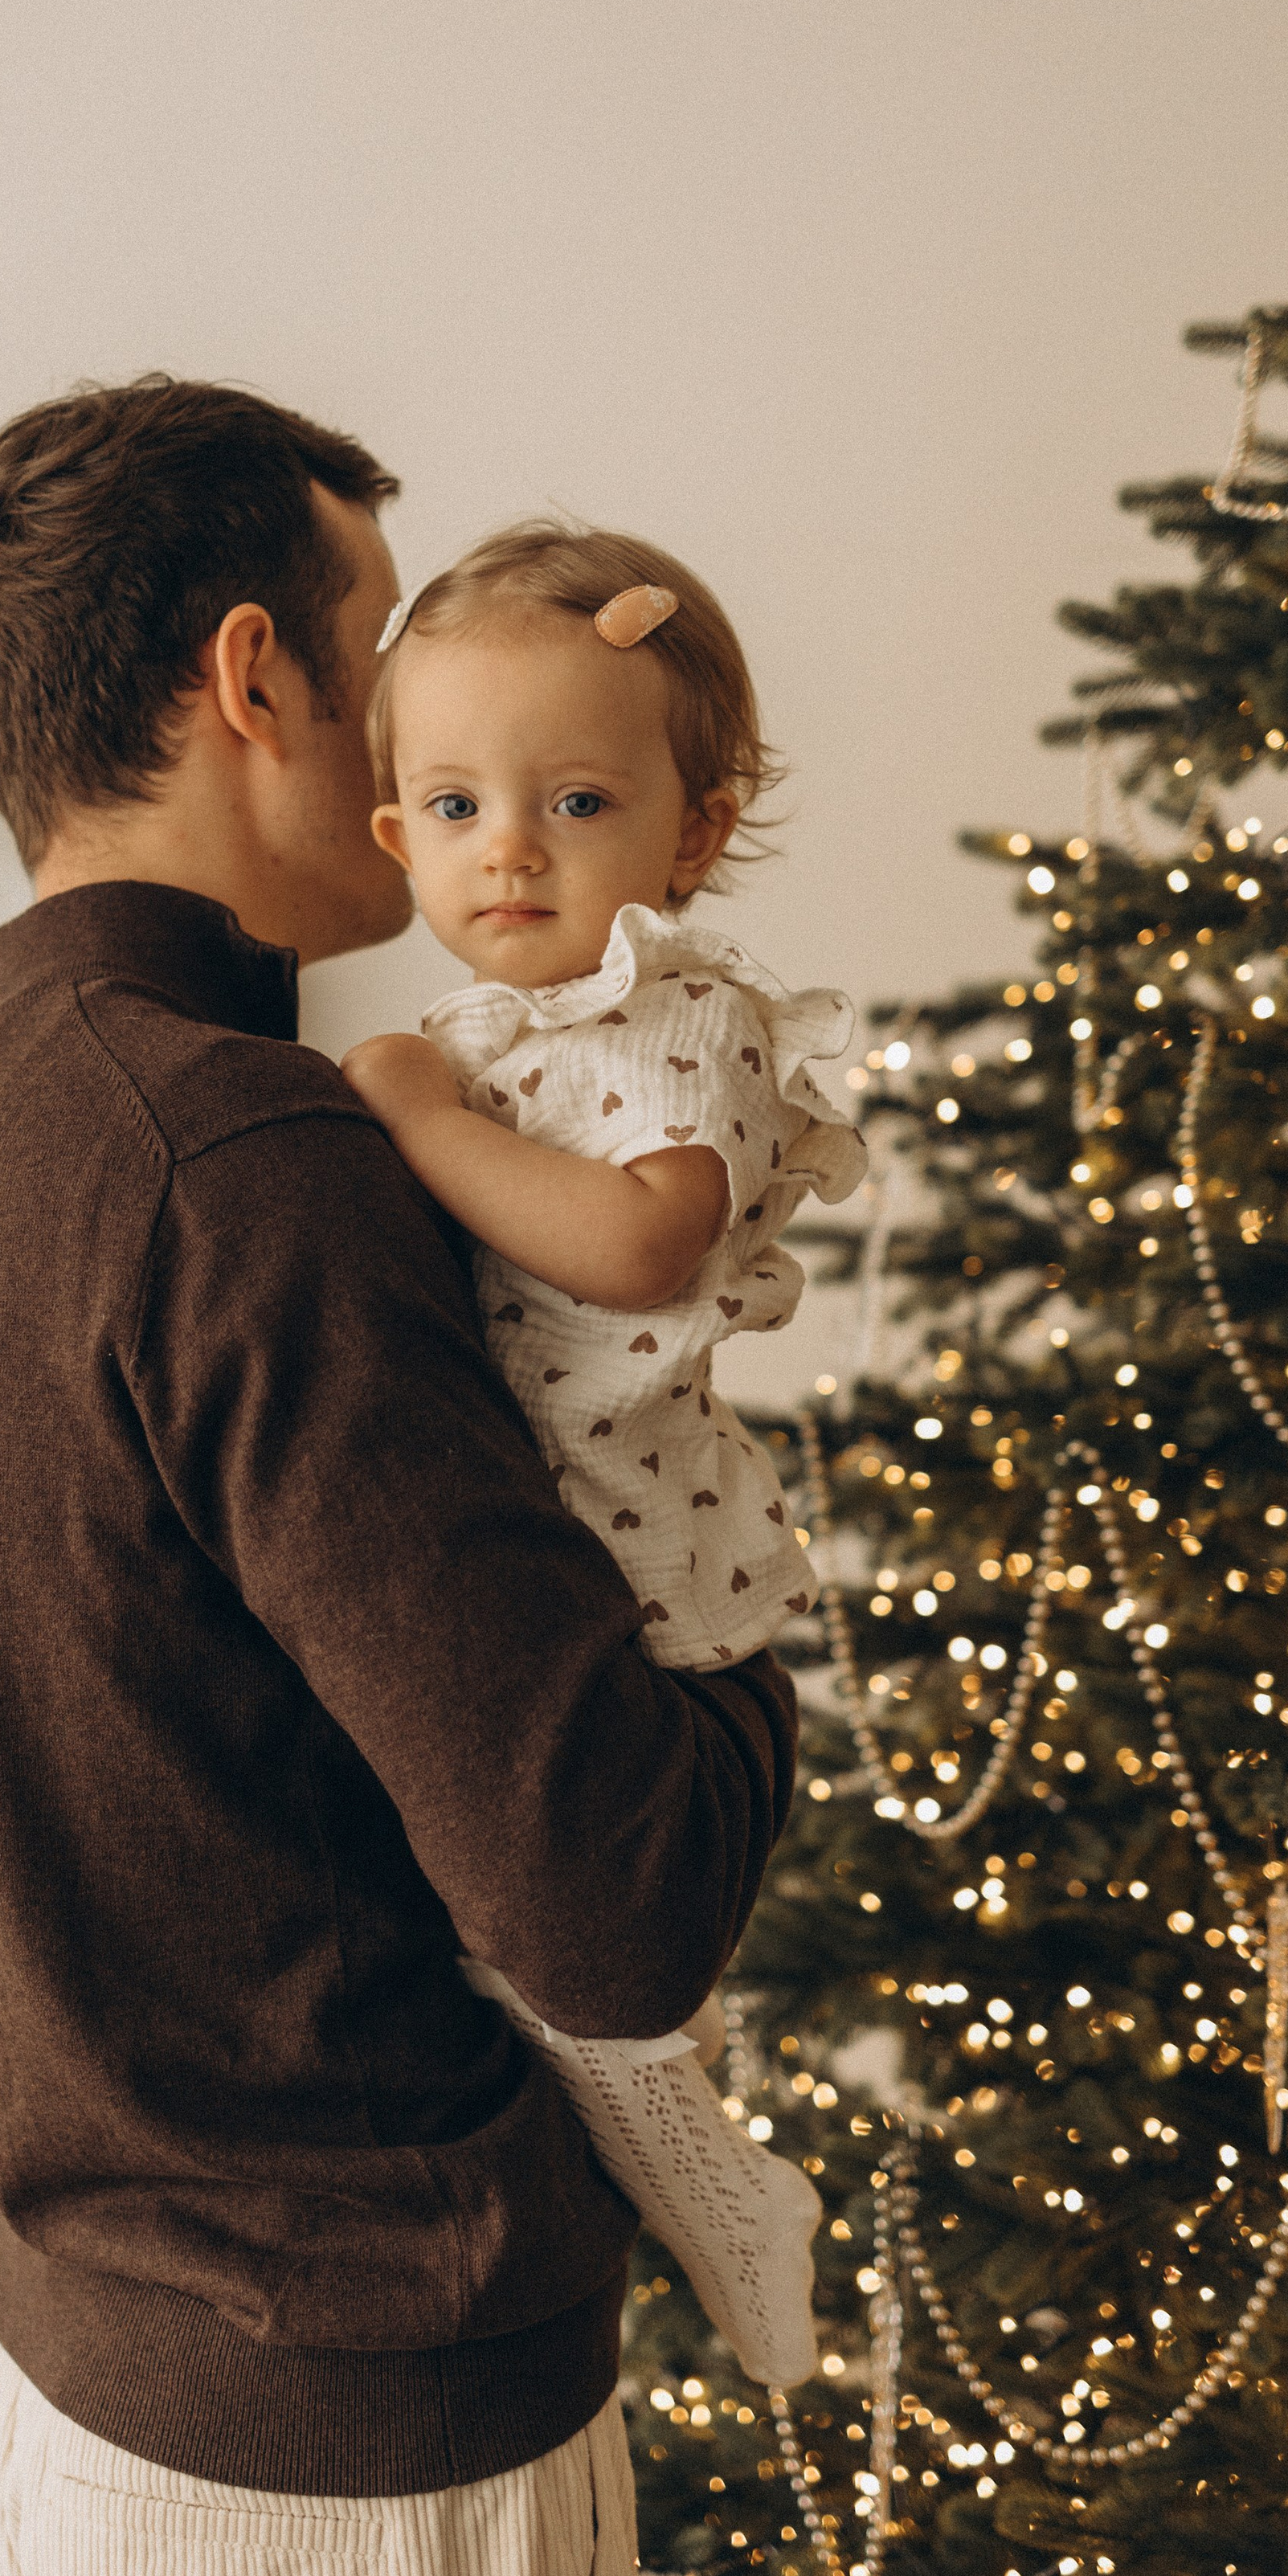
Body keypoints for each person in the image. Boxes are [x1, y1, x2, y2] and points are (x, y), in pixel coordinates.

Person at [0, 378, 798, 2576]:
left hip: (44, 2406)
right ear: (253, 682)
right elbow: (614, 1896)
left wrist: (101, 2042)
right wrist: (756, 1655)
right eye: (376, 649)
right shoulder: (251, 1158)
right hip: (346, 2455)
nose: (431, 738)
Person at [341, 520, 864, 2395]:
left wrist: (408, 1114)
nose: (513, 849)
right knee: (497, 1967)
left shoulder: (682, 1020)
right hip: (534, 1551)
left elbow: (640, 1243)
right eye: (459, 802)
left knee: (567, 1948)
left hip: (645, 1591)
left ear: (690, 833)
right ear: (394, 835)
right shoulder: (491, 1034)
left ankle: (709, 2196)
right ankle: (691, 2188)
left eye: (574, 798)